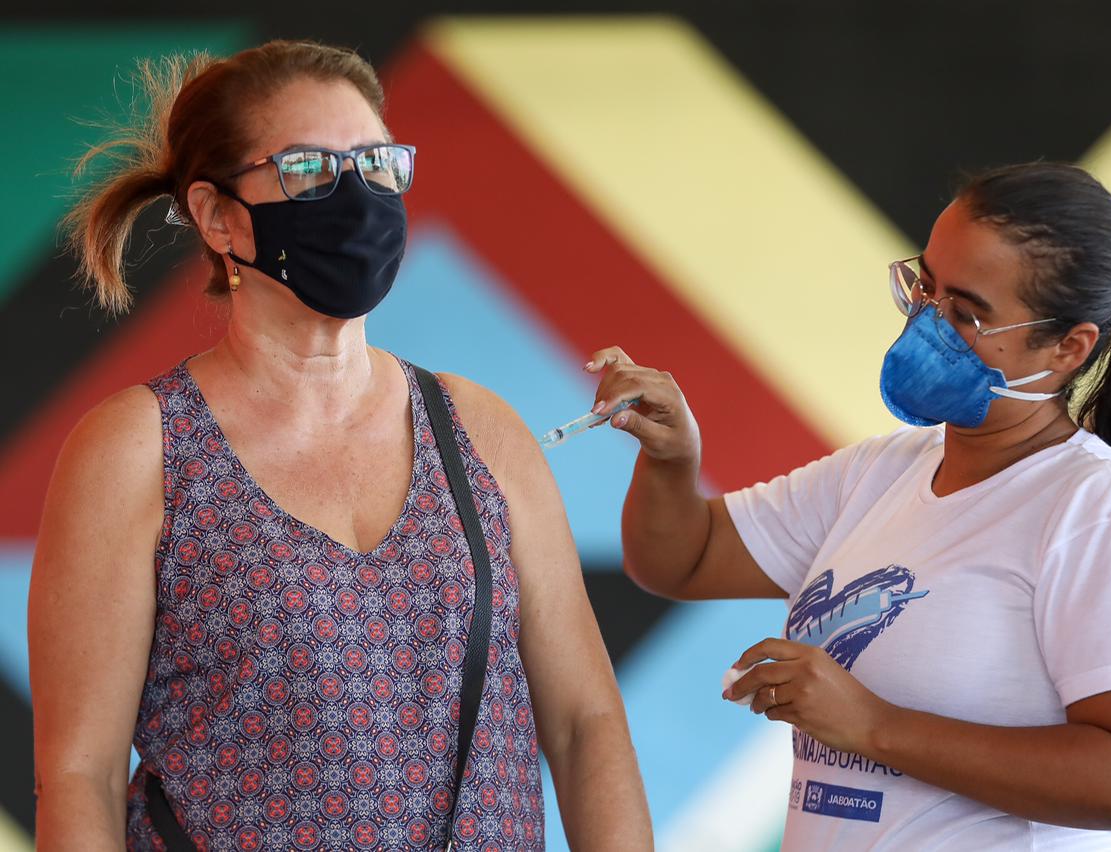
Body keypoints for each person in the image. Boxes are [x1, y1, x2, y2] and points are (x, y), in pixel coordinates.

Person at [29, 40, 650, 851]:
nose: (357, 196)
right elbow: (81, 775)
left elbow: (584, 723)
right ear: (218, 216)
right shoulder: (138, 451)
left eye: (377, 164)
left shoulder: (478, 430)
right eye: (309, 171)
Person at [588, 162, 1111, 849]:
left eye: (967, 313)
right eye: (925, 286)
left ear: (1069, 347)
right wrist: (672, 459)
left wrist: (872, 726)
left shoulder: (1102, 515)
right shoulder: (880, 472)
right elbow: (683, 559)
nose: (928, 322)